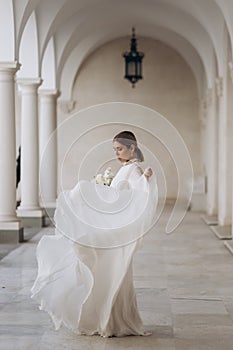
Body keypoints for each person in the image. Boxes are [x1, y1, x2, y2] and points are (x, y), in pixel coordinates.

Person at [31, 130, 158, 337]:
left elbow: (135, 197)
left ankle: (113, 320)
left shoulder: (134, 169)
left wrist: (145, 180)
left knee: (110, 271)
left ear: (132, 148)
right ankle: (105, 319)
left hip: (117, 231)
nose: (116, 153)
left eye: (119, 149)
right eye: (115, 149)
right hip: (112, 227)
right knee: (101, 268)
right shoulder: (125, 168)